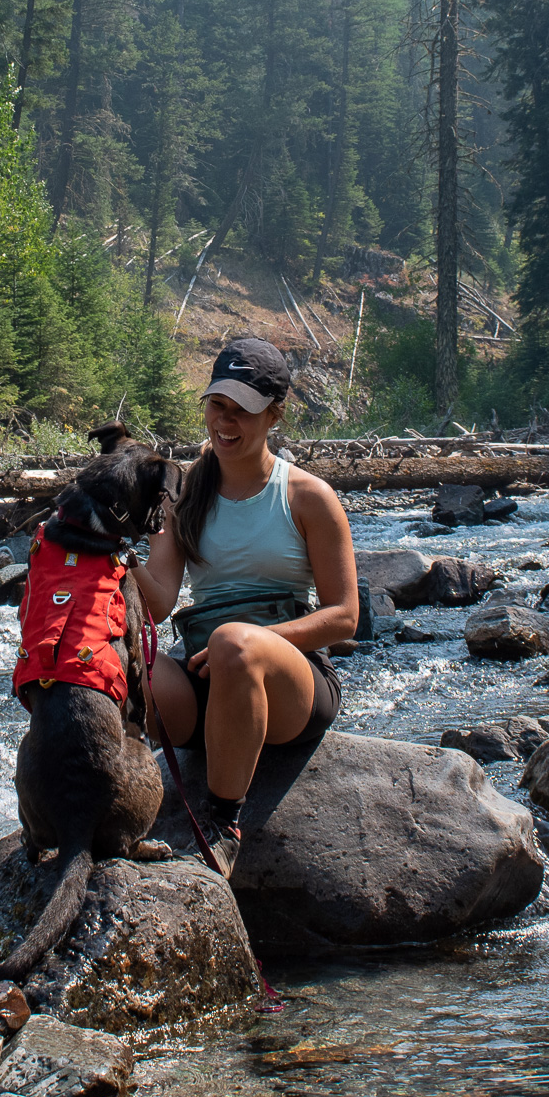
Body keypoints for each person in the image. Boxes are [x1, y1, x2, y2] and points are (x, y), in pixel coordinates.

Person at [133, 337, 359, 872]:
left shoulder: (308, 496)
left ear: (275, 415)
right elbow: (161, 601)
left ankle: (223, 825)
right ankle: (107, 801)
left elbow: (345, 616)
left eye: (244, 411)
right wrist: (111, 553)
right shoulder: (182, 494)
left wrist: (257, 643)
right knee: (111, 660)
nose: (226, 423)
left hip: (291, 685)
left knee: (234, 642)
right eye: (218, 406)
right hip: (202, 681)